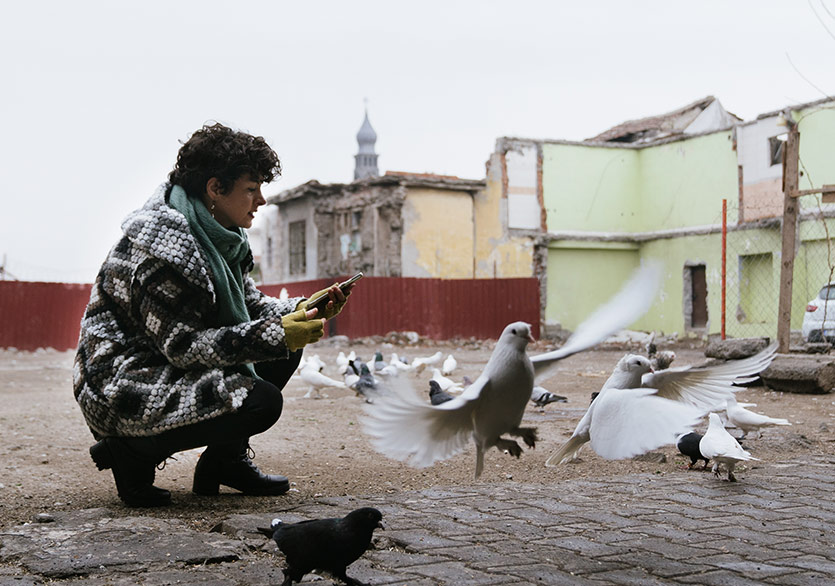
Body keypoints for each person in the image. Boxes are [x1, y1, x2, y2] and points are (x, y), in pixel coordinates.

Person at [73, 123, 352, 507]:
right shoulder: (163, 249)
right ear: (215, 189)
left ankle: (224, 463)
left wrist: (303, 309)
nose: (262, 200)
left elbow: (251, 306)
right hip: (122, 383)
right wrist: (276, 334)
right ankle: (130, 451)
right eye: (251, 189)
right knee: (262, 400)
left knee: (287, 346)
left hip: (161, 363)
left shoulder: (219, 235)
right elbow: (183, 347)